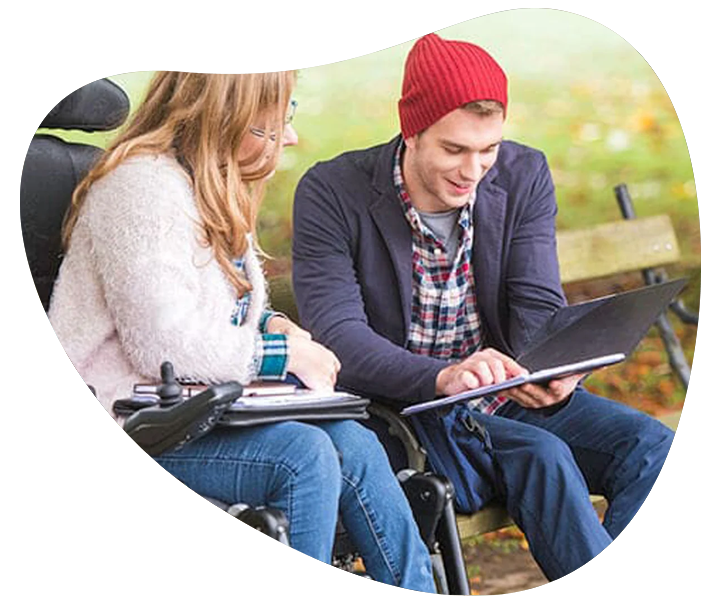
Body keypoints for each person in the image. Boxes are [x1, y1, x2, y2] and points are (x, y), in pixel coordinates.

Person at [291, 33, 691, 595]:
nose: (473, 170)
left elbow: (535, 303)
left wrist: (554, 365)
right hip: (409, 413)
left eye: (488, 150)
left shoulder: (523, 174)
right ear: (411, 130)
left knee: (657, 451)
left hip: (505, 397)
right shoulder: (334, 192)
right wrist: (443, 376)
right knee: (543, 455)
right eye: (454, 150)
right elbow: (339, 338)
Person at [38, 54, 435, 594]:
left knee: (357, 445)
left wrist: (275, 327)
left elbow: (215, 306)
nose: (289, 138)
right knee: (305, 457)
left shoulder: (204, 183)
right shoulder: (141, 189)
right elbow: (164, 342)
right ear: (222, 114)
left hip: (185, 418)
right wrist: (284, 358)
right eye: (269, 125)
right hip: (110, 436)